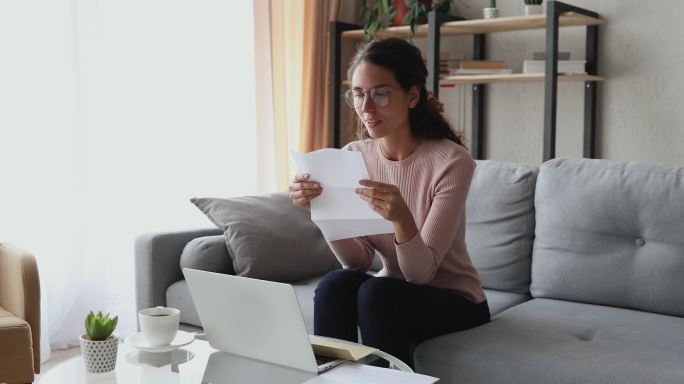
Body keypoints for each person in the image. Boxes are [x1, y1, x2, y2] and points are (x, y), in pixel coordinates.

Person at [288, 38, 489, 369]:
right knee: (336, 284)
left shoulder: (451, 161)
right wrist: (321, 210)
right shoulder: (354, 156)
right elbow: (357, 261)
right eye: (357, 93)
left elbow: (420, 274)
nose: (366, 107)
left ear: (412, 96)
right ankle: (327, 377)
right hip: (392, 291)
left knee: (378, 293)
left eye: (380, 93)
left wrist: (402, 218)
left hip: (455, 300)